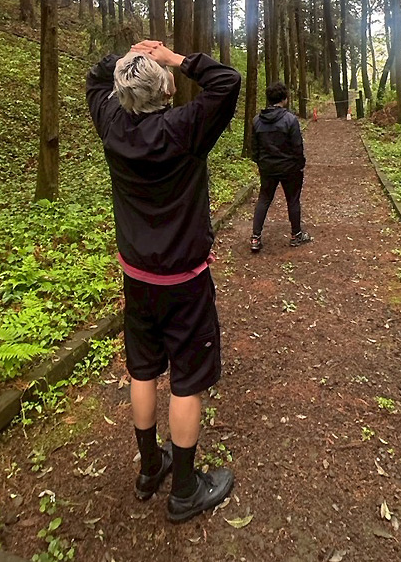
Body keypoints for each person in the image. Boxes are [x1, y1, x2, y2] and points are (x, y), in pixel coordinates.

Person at [86, 40, 241, 522]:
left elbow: (95, 78)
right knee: (186, 381)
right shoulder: (185, 128)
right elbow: (227, 81)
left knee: (143, 370)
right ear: (167, 89)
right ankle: (185, 491)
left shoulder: (112, 125)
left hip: (137, 278)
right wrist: (173, 58)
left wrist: (127, 58)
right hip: (185, 282)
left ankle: (150, 468)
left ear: (123, 93)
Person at [250, 81, 311, 252]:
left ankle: (255, 237)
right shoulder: (290, 120)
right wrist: (300, 165)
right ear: (284, 99)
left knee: (264, 199)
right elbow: (297, 146)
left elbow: (254, 148)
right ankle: (296, 235)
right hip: (289, 168)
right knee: (293, 200)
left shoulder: (257, 121)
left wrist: (260, 163)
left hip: (267, 168)